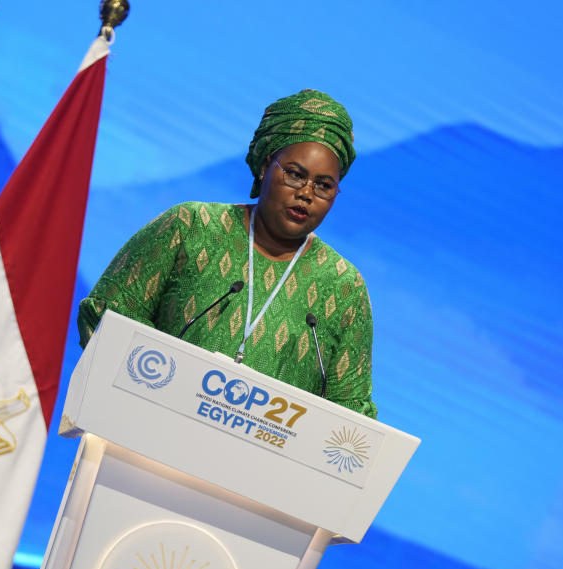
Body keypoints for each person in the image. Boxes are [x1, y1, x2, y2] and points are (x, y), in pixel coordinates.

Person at [78, 89, 376, 419]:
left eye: (323, 185)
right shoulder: (191, 226)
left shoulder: (343, 285)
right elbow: (109, 310)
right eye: (294, 174)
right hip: (141, 434)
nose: (306, 194)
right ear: (265, 167)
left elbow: (350, 411)